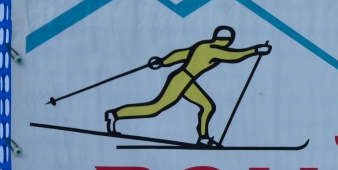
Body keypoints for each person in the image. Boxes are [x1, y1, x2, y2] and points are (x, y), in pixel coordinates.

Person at [104, 26, 271, 147]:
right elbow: (235, 56)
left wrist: (163, 62)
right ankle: (115, 114)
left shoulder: (203, 46)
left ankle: (203, 138)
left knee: (207, 106)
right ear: (228, 41)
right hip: (183, 80)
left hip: (185, 79)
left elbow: (180, 54)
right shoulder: (216, 50)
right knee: (155, 108)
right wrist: (256, 50)